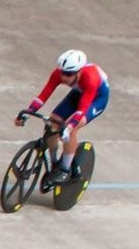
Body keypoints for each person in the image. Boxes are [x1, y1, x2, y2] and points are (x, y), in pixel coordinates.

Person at [17, 48, 108, 185]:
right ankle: (54, 165)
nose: (65, 78)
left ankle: (65, 170)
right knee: (53, 122)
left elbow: (82, 109)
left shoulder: (90, 79)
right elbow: (44, 95)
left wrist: (70, 127)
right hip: (78, 93)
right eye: (63, 73)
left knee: (72, 128)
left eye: (69, 74)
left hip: (96, 99)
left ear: (80, 71)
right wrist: (28, 112)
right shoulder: (58, 73)